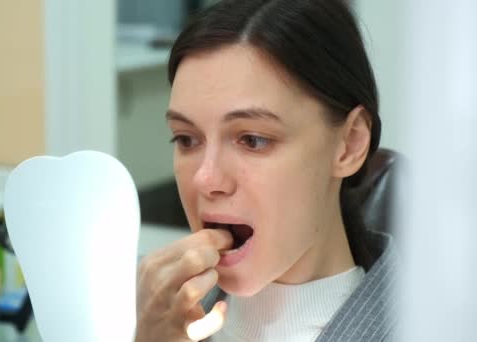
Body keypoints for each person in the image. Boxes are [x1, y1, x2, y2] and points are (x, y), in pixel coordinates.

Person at [135, 0, 397, 341]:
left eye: (253, 140)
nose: (206, 178)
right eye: (186, 139)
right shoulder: (133, 310)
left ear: (350, 143)